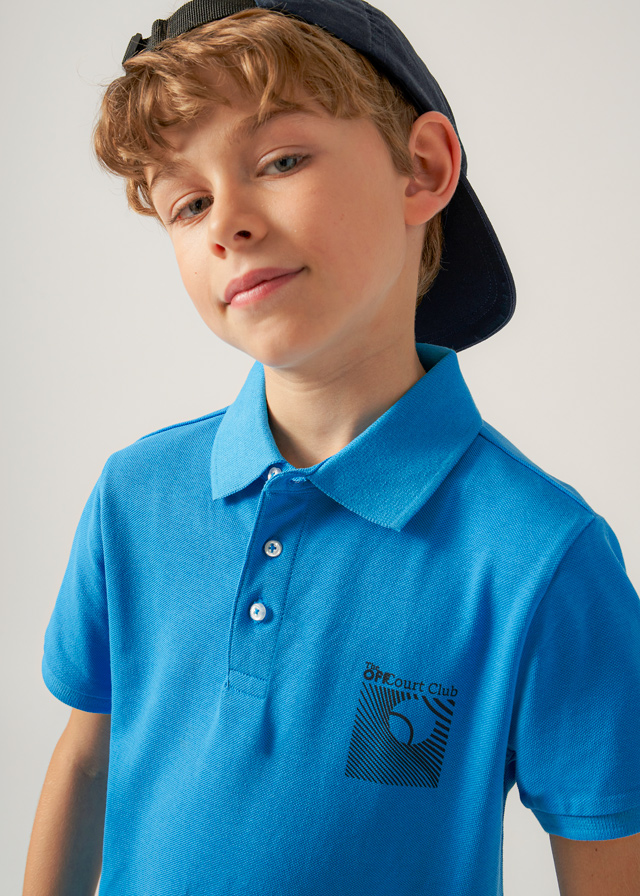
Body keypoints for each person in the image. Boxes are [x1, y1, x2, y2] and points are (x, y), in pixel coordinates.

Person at [23, 1, 640, 894]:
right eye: (189, 203)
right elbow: (87, 761)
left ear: (422, 170)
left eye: (280, 160)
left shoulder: (542, 557)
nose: (226, 223)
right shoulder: (134, 497)